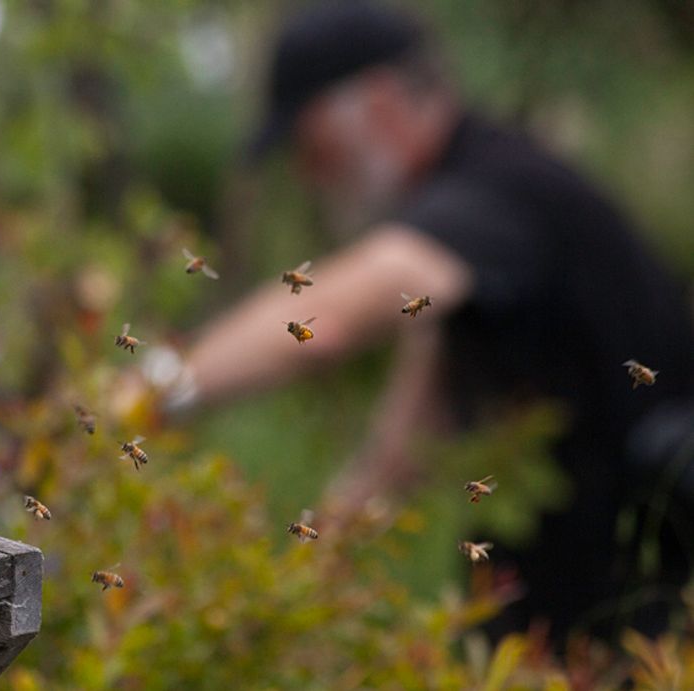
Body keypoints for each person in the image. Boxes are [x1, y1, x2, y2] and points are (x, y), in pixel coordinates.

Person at [139, 1, 694, 643]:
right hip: (550, 624)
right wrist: (287, 582)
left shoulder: (499, 190)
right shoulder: (470, 240)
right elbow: (402, 446)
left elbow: (340, 315)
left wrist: (147, 393)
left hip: (641, 624)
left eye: (311, 143)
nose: (307, 171)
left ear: (377, 108)